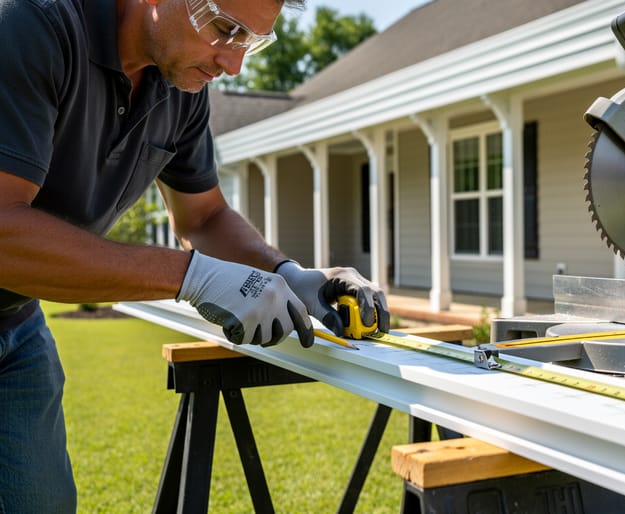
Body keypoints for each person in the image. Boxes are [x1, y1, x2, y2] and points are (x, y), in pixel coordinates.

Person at [0, 0, 390, 510]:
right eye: (225, 29)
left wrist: (290, 275)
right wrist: (193, 277)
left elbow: (204, 218)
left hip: (16, 320)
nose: (233, 64)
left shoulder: (179, 84)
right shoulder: (33, 26)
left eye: (249, 41)